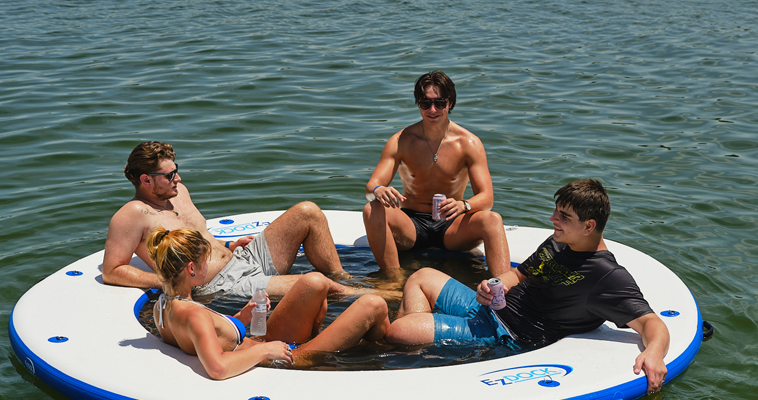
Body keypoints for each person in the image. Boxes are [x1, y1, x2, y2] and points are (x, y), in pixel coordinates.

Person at [385, 179, 670, 393]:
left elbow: (650, 323)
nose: (553, 220)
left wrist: (654, 353)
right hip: (489, 308)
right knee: (420, 277)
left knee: (398, 329)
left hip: (507, 333)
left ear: (589, 226)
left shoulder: (606, 275)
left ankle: (414, 356)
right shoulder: (559, 241)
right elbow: (519, 275)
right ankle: (421, 350)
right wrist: (493, 285)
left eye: (563, 217)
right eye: (556, 212)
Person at [104, 141, 355, 298]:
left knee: (307, 211)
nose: (178, 179)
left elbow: (199, 236)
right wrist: (167, 280)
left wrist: (227, 247)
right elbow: (112, 271)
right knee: (316, 284)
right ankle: (376, 295)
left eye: (176, 170)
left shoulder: (179, 193)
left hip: (242, 258)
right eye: (169, 175)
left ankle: (345, 278)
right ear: (146, 180)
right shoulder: (132, 215)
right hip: (221, 284)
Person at [146, 227, 390, 379]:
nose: (207, 267)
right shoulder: (192, 315)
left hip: (264, 345)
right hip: (286, 360)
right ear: (191, 268)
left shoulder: (164, 305)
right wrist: (265, 350)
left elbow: (205, 335)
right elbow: (217, 367)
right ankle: (377, 356)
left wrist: (241, 318)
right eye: (204, 262)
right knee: (373, 305)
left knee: (314, 282)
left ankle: (329, 340)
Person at [363, 71, 510, 275]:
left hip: (451, 225)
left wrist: (463, 205)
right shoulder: (401, 141)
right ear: (418, 103)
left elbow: (487, 198)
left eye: (439, 103)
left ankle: (503, 290)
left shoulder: (469, 143)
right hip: (411, 225)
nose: (433, 110)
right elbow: (371, 188)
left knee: (492, 219)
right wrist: (379, 190)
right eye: (425, 103)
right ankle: (393, 280)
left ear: (450, 103)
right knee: (372, 209)